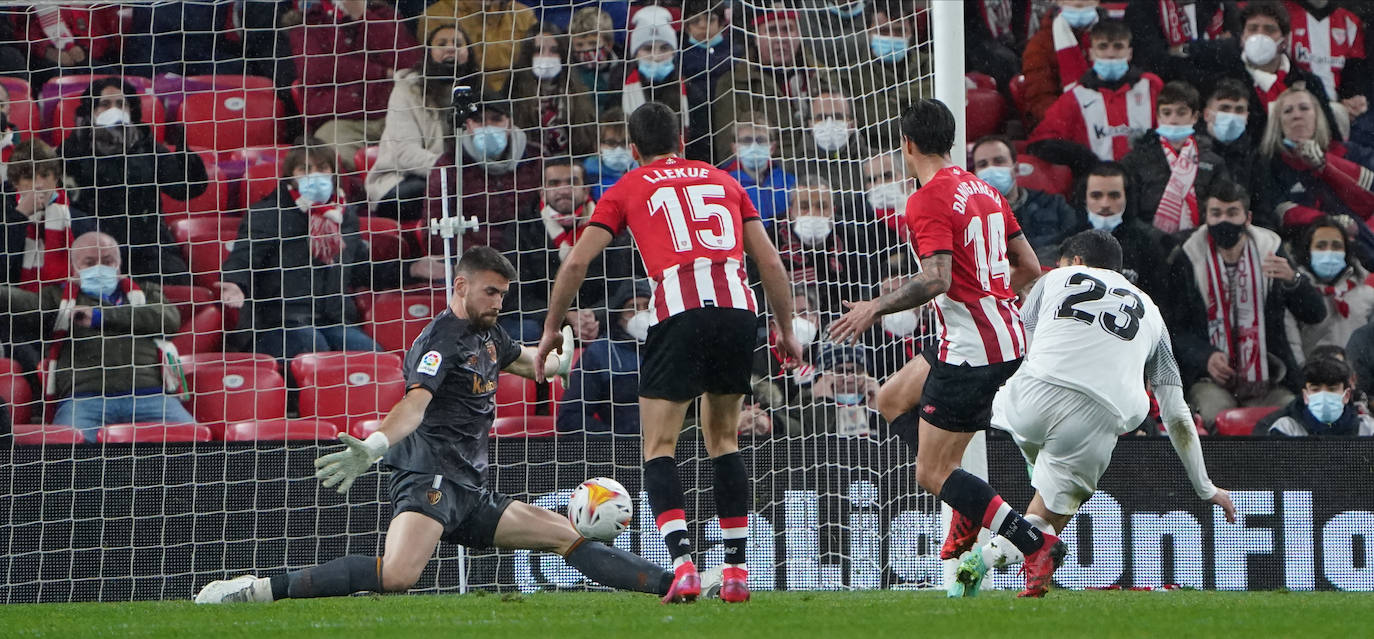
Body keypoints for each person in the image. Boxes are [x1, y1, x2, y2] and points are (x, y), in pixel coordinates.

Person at [195, 247, 677, 604]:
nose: (498, 302)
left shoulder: (489, 332)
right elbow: (414, 404)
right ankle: (258, 590)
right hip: (430, 478)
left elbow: (524, 361)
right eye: (490, 292)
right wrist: (376, 443)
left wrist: (557, 363)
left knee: (566, 536)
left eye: (503, 294)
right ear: (461, 286)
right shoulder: (440, 342)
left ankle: (675, 584)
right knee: (397, 576)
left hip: (470, 487)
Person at [535, 102, 803, 603]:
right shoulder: (724, 181)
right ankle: (736, 573)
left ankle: (683, 567)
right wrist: (786, 329)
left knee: (659, 446)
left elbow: (575, 263)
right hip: (737, 310)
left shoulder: (627, 186)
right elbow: (769, 259)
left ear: (633, 149)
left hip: (678, 310)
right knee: (724, 441)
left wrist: (552, 327)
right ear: (681, 141)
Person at [827, 99, 1059, 598]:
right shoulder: (985, 191)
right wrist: (986, 291)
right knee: (890, 397)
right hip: (1000, 333)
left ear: (907, 144)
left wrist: (873, 308)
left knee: (932, 472)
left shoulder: (926, 199)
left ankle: (1032, 542)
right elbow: (1029, 267)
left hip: (972, 349)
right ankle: (968, 503)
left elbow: (936, 279)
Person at [951, 230, 1237, 597]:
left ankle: (977, 502)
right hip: (1097, 416)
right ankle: (985, 555)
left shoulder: (1053, 279)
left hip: (1025, 399)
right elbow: (1176, 413)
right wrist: (1204, 486)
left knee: (1010, 422)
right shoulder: (1151, 313)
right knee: (1049, 518)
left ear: (1076, 262)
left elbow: (1018, 345)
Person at [0, 232, 192, 442]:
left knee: (195, 444)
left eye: (107, 261)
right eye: (90, 263)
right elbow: (22, 304)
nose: (99, 268)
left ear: (119, 264)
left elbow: (169, 319)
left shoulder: (145, 292)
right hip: (84, 399)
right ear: (74, 268)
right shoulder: (57, 298)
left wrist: (100, 317)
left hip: (150, 395)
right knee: (64, 453)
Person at [1163, 181, 1326, 427]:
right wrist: (1205, 357)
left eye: (1232, 213)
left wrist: (1293, 281)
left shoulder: (1270, 250)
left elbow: (1315, 313)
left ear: (1247, 218)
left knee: (1287, 421)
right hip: (1210, 380)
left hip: (1270, 377)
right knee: (1216, 417)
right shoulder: (1188, 256)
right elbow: (1175, 329)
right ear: (1205, 218)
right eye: (1216, 213)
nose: (1224, 221)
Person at [219, 143, 393, 361]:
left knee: (370, 355)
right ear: (291, 176)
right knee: (312, 346)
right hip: (277, 323)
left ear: (333, 173)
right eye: (305, 169)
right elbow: (243, 259)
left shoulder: (344, 216)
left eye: (322, 168)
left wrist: (412, 269)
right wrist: (235, 283)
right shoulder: (268, 213)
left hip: (333, 320)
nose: (314, 175)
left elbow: (361, 270)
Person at [61, 79, 199, 284]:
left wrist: (186, 159)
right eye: (105, 104)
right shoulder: (72, 149)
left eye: (121, 104)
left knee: (178, 284)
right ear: (92, 110)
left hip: (150, 246)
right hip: (96, 248)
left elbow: (184, 190)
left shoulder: (147, 145)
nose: (114, 110)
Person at [507, 159, 636, 342]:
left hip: (602, 320)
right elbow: (517, 296)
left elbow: (622, 285)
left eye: (572, 182)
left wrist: (593, 315)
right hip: (544, 323)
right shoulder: (521, 229)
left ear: (586, 190)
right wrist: (565, 315)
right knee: (525, 330)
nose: (564, 190)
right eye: (554, 183)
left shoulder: (613, 225)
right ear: (542, 192)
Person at [291, 0, 423, 172]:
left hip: (395, 114)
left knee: (422, 153)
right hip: (342, 121)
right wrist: (381, 72)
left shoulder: (383, 14)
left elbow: (410, 63)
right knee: (335, 158)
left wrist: (363, 16)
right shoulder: (306, 22)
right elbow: (318, 68)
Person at [366, 24, 480, 222]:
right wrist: (452, 171)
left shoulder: (479, 90)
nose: (450, 48)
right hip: (404, 179)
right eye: (441, 44)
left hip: (465, 178)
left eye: (458, 43)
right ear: (428, 53)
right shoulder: (406, 90)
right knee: (436, 193)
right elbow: (406, 154)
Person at [1029, 20, 1164, 164]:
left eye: (1118, 47)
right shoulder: (1075, 97)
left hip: (1144, 174)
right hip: (1095, 175)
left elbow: (1172, 128)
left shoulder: (1151, 86)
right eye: (1103, 47)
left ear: (1129, 53)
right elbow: (1041, 140)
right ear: (1091, 53)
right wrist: (1082, 158)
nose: (1110, 54)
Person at [425, 98, 541, 254]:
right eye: (479, 120)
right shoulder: (449, 164)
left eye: (496, 119)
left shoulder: (536, 158)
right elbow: (434, 228)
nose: (488, 127)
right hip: (474, 258)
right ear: (468, 125)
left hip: (529, 254)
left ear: (509, 123)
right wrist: (479, 258)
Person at [1259, 87, 1374, 234]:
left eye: (1304, 108)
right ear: (1278, 122)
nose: (1297, 116)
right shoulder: (1270, 162)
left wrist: (1324, 165)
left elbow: (1368, 201)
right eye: (1288, 111)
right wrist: (1327, 222)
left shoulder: (1351, 152)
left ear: (1317, 116)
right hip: (1303, 240)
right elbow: (1280, 211)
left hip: (1361, 238)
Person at [1120, 81, 1230, 233]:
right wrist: (1158, 239)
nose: (1173, 119)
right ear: (1158, 117)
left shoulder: (1213, 162)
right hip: (1148, 241)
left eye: (1181, 113)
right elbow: (1129, 214)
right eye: (1166, 113)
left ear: (1195, 117)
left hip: (1199, 240)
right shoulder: (1135, 160)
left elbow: (1221, 208)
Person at [835, 0, 932, 151]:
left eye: (899, 31)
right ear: (868, 32)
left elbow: (936, 116)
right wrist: (915, 102)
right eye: (884, 31)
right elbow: (875, 121)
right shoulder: (851, 75)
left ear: (911, 32)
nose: (892, 37)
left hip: (926, 151)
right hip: (875, 154)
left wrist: (898, 95)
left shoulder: (931, 66)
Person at [556, 280, 650, 435]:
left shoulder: (672, 346)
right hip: (627, 444)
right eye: (631, 308)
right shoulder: (600, 353)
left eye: (647, 307)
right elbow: (570, 418)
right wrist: (617, 441)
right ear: (619, 316)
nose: (641, 314)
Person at [970, 135, 1077, 264]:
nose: (991, 168)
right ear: (975, 174)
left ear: (1016, 169)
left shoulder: (1053, 204)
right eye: (983, 164)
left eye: (999, 161)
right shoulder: (970, 216)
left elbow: (1074, 243)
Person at [1285, 217, 1374, 364]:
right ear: (1308, 251)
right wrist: (1304, 375)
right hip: (1312, 375)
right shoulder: (1296, 294)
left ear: (1346, 251)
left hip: (1357, 376)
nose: (1329, 252)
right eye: (1320, 246)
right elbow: (1292, 346)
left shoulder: (1367, 295)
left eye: (1336, 246)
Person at [1, 140, 84, 293]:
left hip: (63, 301)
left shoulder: (78, 220)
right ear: (15, 182)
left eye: (45, 175)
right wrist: (20, 215)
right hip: (11, 301)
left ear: (56, 178)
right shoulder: (4, 216)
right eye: (29, 177)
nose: (39, 184)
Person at [1078, 162, 1171, 298]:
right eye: (1096, 196)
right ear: (1085, 199)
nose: (1105, 204)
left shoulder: (1149, 245)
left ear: (1127, 197)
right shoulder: (1067, 242)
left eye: (1114, 196)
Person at [509, 23, 598, 158]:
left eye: (554, 50)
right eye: (538, 50)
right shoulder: (513, 90)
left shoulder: (578, 93)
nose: (546, 56)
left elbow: (586, 141)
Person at [418, 0, 536, 95]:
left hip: (517, 92)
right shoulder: (435, 16)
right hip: (461, 91)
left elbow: (532, 61)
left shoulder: (523, 14)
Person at [1020, 0, 1106, 128]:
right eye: (1076, 4)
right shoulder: (1040, 45)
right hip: (1065, 124)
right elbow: (1040, 100)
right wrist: (1074, 122)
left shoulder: (1113, 36)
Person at [1123, 0, 1238, 89]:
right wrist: (1212, 48)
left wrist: (1186, 49)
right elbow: (1152, 61)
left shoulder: (1220, 4)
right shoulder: (1142, 7)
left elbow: (1234, 49)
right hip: (1169, 89)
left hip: (1219, 88)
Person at [1283, 0, 1370, 117]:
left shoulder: (1351, 22)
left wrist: (1352, 101)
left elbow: (1354, 74)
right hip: (1296, 108)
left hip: (1337, 110)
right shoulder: (1285, 13)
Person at [1258, 356, 1374, 436]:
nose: (1323, 395)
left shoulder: (1368, 429)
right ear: (1305, 396)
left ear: (1346, 395)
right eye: (1315, 389)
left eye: (1332, 389)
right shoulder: (1287, 428)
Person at [680, 0, 737, 163]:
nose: (703, 26)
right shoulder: (681, 56)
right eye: (695, 21)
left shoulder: (735, 52)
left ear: (721, 23)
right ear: (686, 27)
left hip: (727, 120)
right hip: (695, 122)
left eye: (710, 20)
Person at [720, 112, 796, 228]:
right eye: (747, 140)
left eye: (760, 140)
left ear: (772, 147)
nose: (754, 146)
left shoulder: (788, 182)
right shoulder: (724, 183)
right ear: (735, 148)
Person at [1203, 78, 1265, 207]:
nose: (1232, 116)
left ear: (1247, 117)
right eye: (1224, 108)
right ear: (1207, 114)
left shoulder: (1255, 157)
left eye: (1239, 110)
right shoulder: (1191, 152)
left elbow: (1262, 208)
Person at [584, 110, 634, 201]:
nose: (619, 149)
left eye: (625, 142)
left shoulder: (642, 172)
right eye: (611, 143)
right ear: (597, 146)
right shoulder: (586, 176)